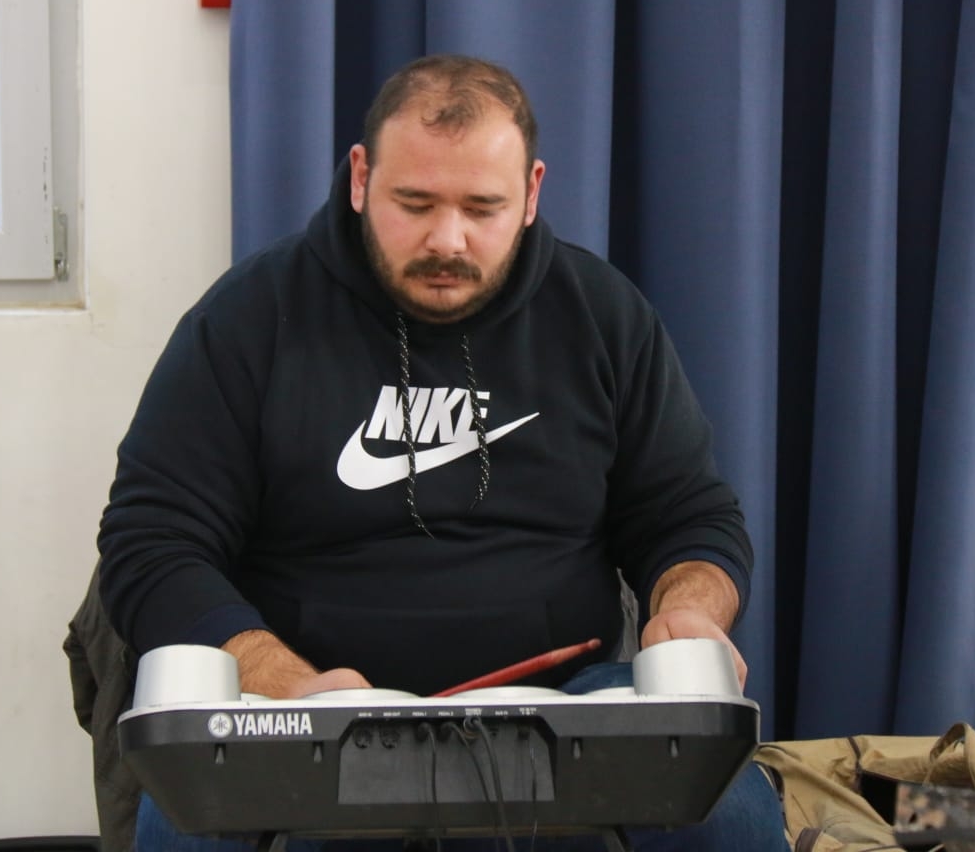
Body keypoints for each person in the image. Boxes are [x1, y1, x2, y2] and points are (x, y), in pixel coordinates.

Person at [97, 54, 787, 851]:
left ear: (531, 193)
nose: (446, 240)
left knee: (731, 816)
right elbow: (152, 543)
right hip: (301, 707)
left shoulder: (602, 316)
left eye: (482, 208)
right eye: (415, 203)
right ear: (361, 178)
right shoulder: (248, 318)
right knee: (186, 824)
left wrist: (691, 608)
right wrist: (282, 679)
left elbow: (690, 515)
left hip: (566, 705)